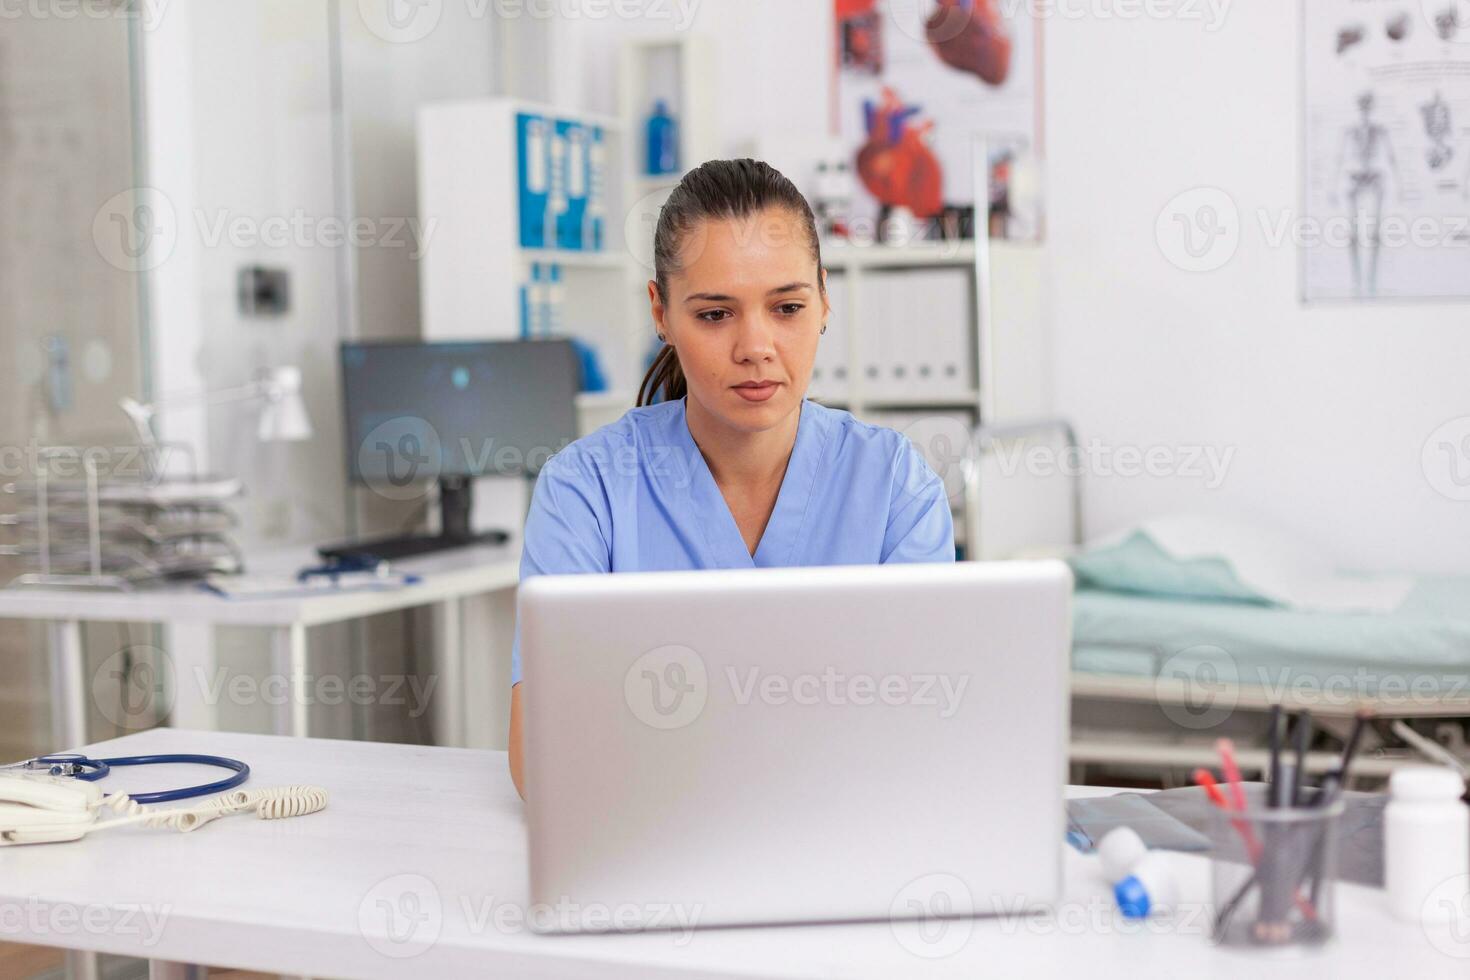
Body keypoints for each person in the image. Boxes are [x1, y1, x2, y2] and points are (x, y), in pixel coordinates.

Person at [508, 159, 955, 798]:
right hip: (649, 853)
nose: (756, 346)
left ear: (825, 300)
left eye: (788, 307)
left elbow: (925, 734)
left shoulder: (894, 487)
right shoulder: (587, 491)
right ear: (661, 313)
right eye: (716, 314)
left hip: (845, 847)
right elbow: (542, 755)